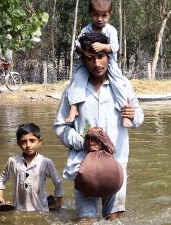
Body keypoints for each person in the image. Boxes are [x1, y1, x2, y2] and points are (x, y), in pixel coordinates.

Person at [53, 32, 144, 222]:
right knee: (86, 220)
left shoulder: (122, 85)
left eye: (100, 57)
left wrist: (134, 115)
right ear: (83, 60)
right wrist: (82, 142)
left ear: (108, 56)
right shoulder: (73, 91)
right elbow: (60, 126)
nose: (96, 64)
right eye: (90, 58)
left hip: (116, 161)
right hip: (84, 165)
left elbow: (139, 116)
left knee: (112, 218)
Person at [65, 0, 133, 128]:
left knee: (119, 85)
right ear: (90, 14)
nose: (100, 19)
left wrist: (103, 46)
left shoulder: (111, 30)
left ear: (110, 14)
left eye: (104, 15)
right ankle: (74, 108)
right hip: (85, 62)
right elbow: (77, 44)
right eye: (96, 15)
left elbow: (115, 47)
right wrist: (84, 51)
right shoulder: (86, 29)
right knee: (77, 81)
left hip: (111, 64)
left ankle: (125, 115)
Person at [0, 123, 63, 212]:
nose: (28, 145)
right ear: (18, 144)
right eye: (23, 141)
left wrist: (58, 203)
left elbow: (58, 182)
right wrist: (0, 196)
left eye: (32, 141)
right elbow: (2, 178)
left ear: (39, 142)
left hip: (41, 210)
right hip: (18, 209)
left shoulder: (46, 162)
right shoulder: (13, 161)